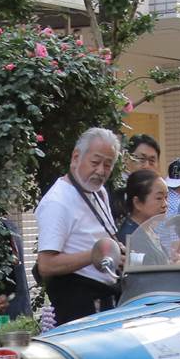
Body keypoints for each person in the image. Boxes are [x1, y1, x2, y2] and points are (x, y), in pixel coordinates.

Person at [36, 127, 123, 324]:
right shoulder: (58, 201)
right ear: (76, 157)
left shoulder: (99, 192)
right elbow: (46, 265)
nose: (101, 171)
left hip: (106, 297)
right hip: (77, 302)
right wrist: (94, 255)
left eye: (108, 165)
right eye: (95, 162)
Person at [117, 168, 167, 242]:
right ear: (137, 203)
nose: (165, 204)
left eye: (166, 197)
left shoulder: (147, 228)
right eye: (159, 198)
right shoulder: (132, 237)